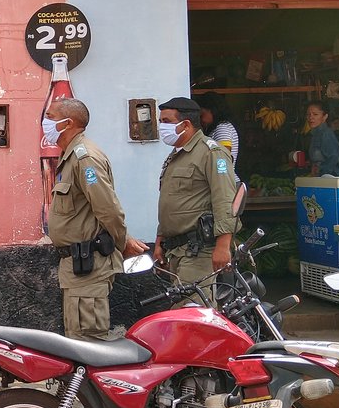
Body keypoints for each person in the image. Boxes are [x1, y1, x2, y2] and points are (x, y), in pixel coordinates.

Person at [44, 98, 148, 339]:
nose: (44, 122)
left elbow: (108, 209)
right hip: (76, 267)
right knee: (78, 339)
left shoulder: (84, 158)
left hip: (88, 265)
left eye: (50, 117)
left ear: (67, 123)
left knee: (87, 341)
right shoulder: (70, 157)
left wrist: (122, 242)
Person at [152, 97, 238, 303]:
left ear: (186, 124)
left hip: (199, 251)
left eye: (166, 121)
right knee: (185, 315)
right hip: (176, 249)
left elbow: (225, 200)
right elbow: (172, 201)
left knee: (191, 314)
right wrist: (160, 241)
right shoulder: (177, 155)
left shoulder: (211, 153)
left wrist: (223, 246)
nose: (161, 126)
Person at [195, 91, 240, 182]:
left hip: (225, 183)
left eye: (202, 114)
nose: (200, 119)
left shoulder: (222, 129)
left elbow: (222, 158)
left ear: (212, 110)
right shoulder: (218, 128)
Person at [306, 100, 339, 176]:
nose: (311, 117)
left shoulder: (326, 133)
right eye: (308, 114)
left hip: (330, 177)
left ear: (325, 116)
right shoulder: (315, 134)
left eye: (315, 114)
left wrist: (323, 172)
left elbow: (333, 157)